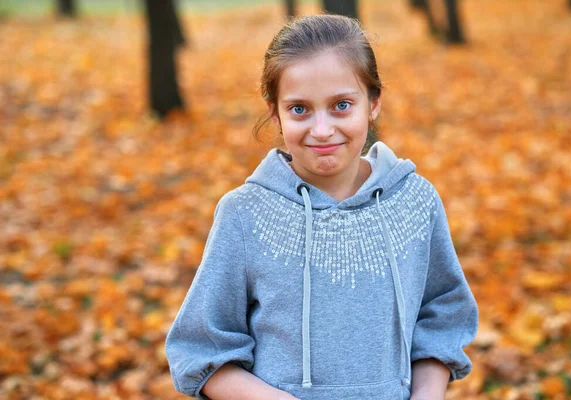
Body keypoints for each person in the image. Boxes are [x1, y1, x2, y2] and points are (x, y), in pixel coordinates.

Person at [165, 14, 478, 400]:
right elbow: (201, 351)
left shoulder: (415, 202)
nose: (322, 129)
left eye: (341, 105)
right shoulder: (244, 214)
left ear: (374, 103)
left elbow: (443, 316)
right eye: (299, 109)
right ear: (275, 111)